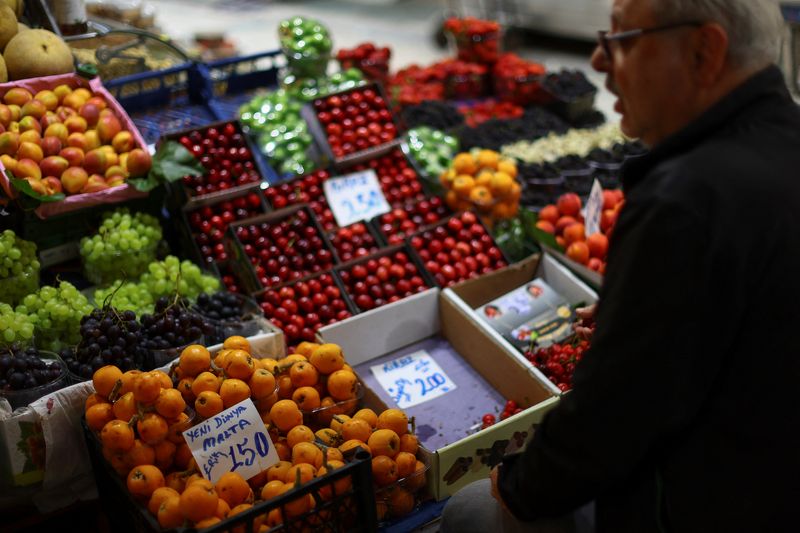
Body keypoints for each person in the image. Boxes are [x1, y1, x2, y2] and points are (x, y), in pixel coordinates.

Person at [441, 0, 800, 531]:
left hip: (721, 501)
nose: (599, 60)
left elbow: (609, 423)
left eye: (621, 40)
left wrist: (517, 484)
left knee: (469, 511)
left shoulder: (684, 200)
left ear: (704, 51)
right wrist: (634, 314)